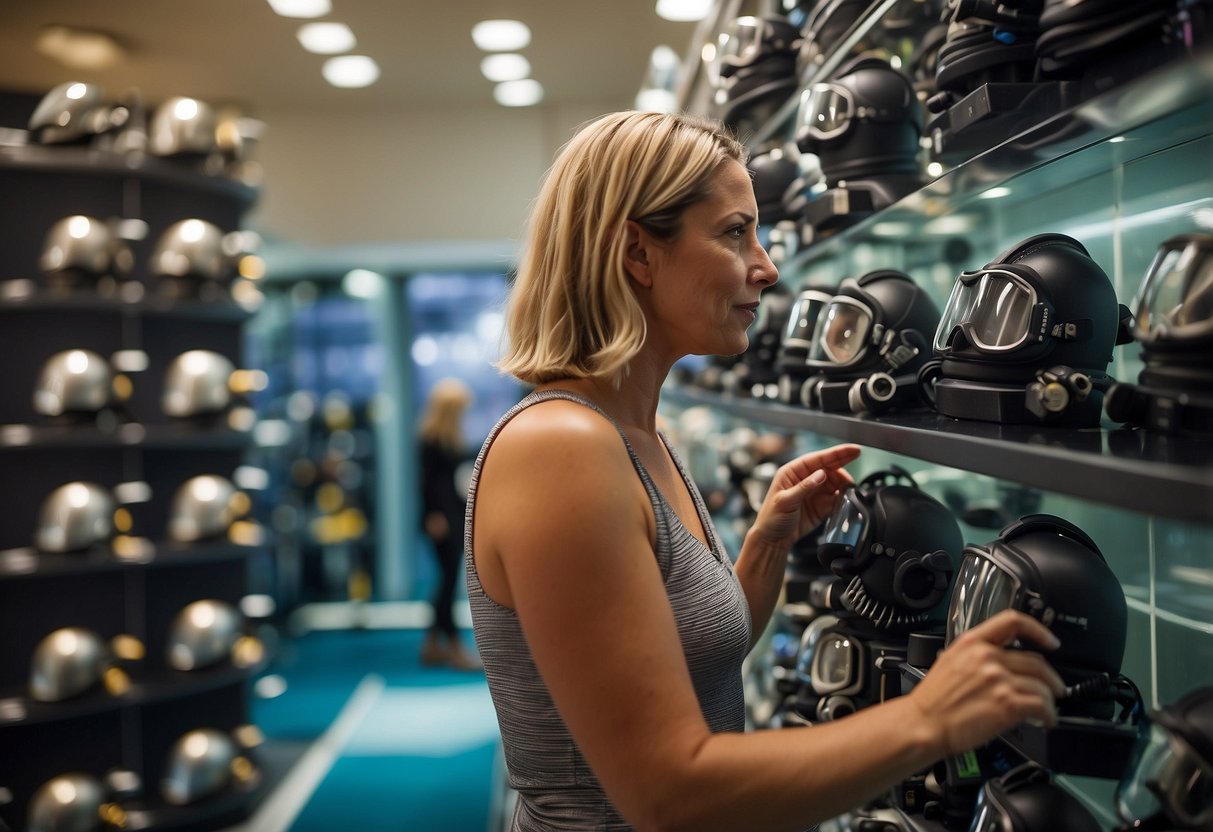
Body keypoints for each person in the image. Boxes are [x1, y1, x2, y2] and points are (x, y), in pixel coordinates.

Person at [464, 111, 1064, 831]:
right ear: (637, 253)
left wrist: (767, 545)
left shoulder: (634, 437)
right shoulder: (559, 448)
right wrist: (929, 717)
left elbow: (676, 662)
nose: (766, 266)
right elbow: (665, 793)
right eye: (733, 232)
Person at [417, 376, 480, 670]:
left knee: (445, 582)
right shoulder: (431, 439)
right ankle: (454, 646)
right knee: (447, 583)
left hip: (451, 515)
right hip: (441, 520)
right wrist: (433, 516)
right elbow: (427, 484)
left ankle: (431, 644)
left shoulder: (448, 438)